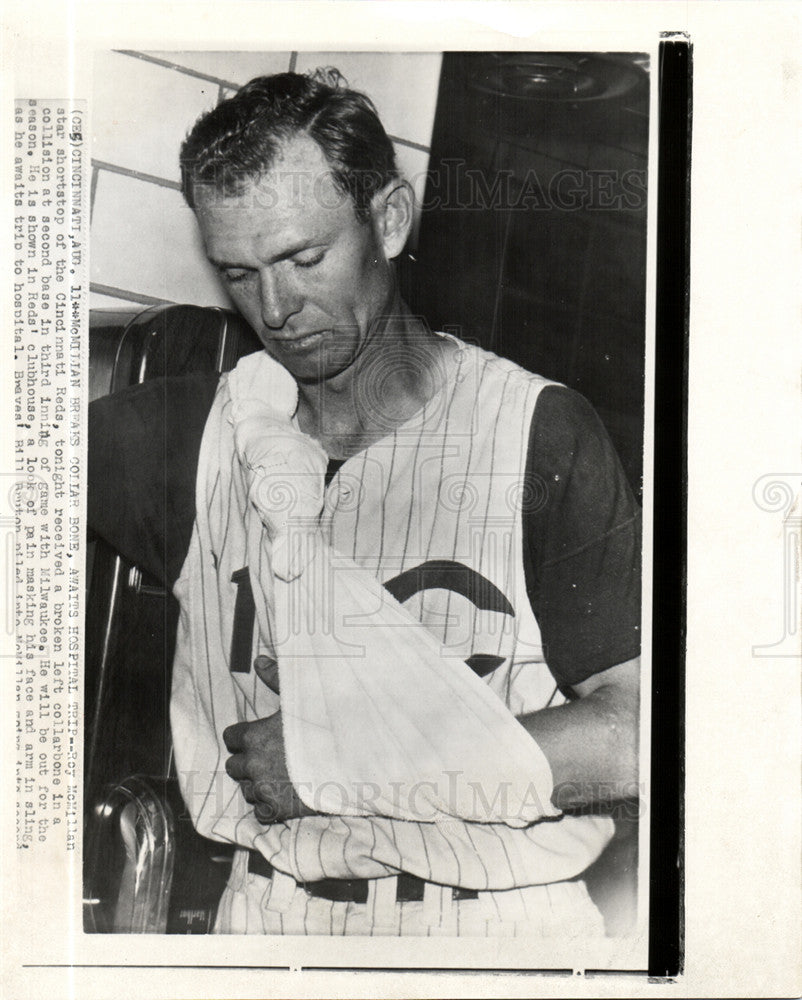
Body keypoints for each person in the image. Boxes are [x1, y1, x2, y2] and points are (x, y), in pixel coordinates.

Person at [89, 68, 641, 937]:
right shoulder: (198, 432)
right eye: (240, 272)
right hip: (262, 919)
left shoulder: (536, 433)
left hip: (485, 931)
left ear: (388, 218)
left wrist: (344, 754)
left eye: (306, 259)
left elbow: (638, 734)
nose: (277, 308)